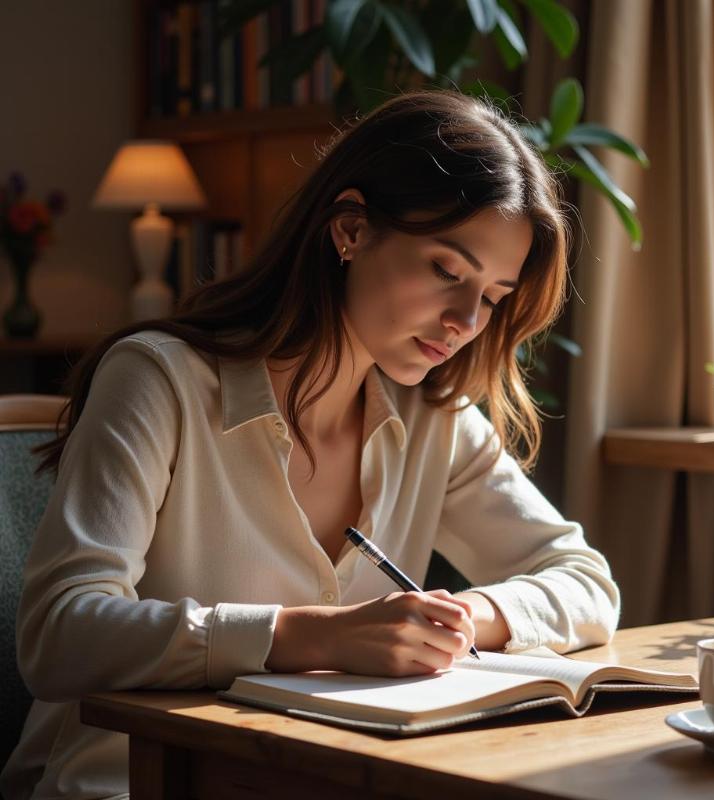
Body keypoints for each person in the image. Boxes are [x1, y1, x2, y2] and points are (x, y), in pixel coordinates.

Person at [1, 89, 620, 800]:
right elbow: (58, 633)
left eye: (492, 296)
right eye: (447, 271)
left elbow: (586, 582)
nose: (464, 321)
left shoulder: (434, 420)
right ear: (351, 229)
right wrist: (317, 635)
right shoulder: (159, 380)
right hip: (128, 782)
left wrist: (455, 621)